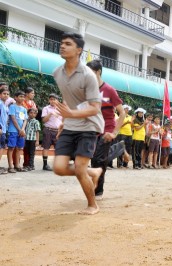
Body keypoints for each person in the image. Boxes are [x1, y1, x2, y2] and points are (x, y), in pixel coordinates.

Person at [52, 32, 104, 215]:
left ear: (79, 50)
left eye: (68, 44)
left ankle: (92, 205)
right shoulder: (57, 73)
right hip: (71, 125)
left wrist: (71, 114)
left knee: (80, 167)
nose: (63, 46)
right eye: (62, 43)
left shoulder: (88, 75)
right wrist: (64, 121)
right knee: (58, 168)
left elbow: (95, 108)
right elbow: (69, 100)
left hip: (89, 125)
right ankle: (94, 172)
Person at [86, 59, 125, 200]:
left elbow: (122, 113)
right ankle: (117, 149)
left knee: (98, 159)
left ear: (98, 72)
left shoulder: (109, 90)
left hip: (106, 130)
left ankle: (97, 191)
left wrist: (115, 132)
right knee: (94, 159)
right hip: (92, 129)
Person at [7, 91, 28, 173]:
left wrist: (22, 129)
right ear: (15, 97)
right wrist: (19, 129)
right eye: (20, 96)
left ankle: (17, 165)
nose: (22, 98)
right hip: (13, 130)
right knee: (11, 148)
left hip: (21, 132)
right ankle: (10, 166)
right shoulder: (12, 107)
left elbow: (25, 120)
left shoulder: (24, 109)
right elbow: (13, 118)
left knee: (19, 148)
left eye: (23, 96)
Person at [41, 93, 63, 170]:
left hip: (58, 131)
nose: (53, 101)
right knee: (46, 147)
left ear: (57, 100)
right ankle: (45, 165)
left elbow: (63, 121)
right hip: (48, 130)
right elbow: (44, 120)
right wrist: (50, 113)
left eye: (54, 99)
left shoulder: (61, 109)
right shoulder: (46, 108)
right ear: (49, 100)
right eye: (51, 99)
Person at [21, 87, 38, 169]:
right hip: (22, 124)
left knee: (30, 149)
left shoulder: (33, 103)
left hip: (30, 125)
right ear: (27, 94)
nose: (33, 94)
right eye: (32, 93)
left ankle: (30, 164)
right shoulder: (22, 102)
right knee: (24, 147)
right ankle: (25, 163)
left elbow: (35, 112)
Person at [0, 84, 10, 174]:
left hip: (4, 130)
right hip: (0, 130)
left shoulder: (5, 105)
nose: (6, 95)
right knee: (0, 148)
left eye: (7, 94)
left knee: (2, 147)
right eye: (4, 93)